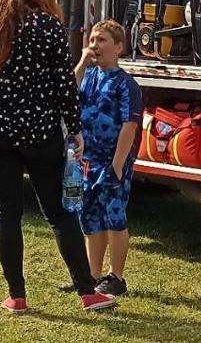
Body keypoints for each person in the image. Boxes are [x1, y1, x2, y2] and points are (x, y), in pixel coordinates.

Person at [0, 0, 113, 314]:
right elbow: (63, 85)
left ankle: (17, 295)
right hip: (40, 129)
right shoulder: (48, 26)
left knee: (5, 211)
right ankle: (87, 291)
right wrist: (74, 128)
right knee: (59, 212)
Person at [67, 19, 140, 297]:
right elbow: (68, 93)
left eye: (102, 40)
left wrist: (117, 164)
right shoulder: (89, 75)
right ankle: (91, 275)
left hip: (111, 162)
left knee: (114, 217)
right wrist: (82, 62)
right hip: (87, 161)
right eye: (92, 40)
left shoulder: (125, 84)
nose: (95, 45)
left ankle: (116, 276)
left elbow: (129, 125)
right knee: (89, 217)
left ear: (118, 47)